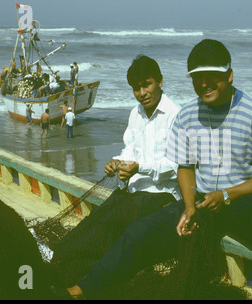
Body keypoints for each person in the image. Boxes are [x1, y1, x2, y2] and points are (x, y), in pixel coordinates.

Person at [65, 40, 252, 300]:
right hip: (199, 202)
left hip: (241, 202)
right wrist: (189, 207)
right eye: (197, 78)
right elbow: (184, 167)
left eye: (212, 76)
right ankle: (84, 289)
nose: (204, 83)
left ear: (229, 75)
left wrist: (226, 195)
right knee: (139, 229)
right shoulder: (187, 115)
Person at [50, 55, 180, 287]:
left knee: (111, 220)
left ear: (160, 81)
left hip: (163, 194)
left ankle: (78, 275)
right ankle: (59, 259)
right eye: (136, 88)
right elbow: (130, 148)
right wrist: (117, 161)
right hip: (134, 191)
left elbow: (178, 165)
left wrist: (140, 167)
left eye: (146, 84)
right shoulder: (135, 113)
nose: (142, 93)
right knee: (98, 217)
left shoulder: (176, 116)